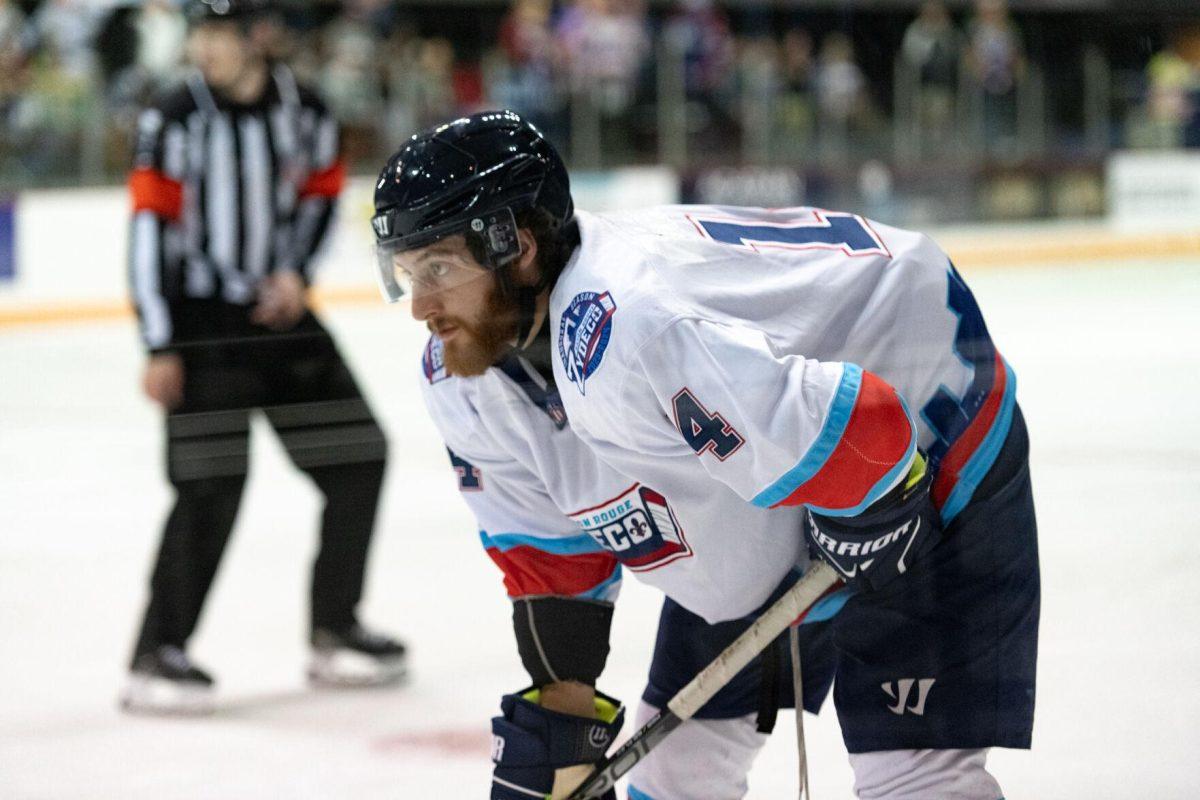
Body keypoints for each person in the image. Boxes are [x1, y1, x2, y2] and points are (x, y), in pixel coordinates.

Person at [372, 111, 1039, 799]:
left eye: (439, 268)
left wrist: (868, 515)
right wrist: (559, 730)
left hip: (925, 414)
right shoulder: (463, 382)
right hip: (780, 468)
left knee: (913, 777)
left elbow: (866, 430)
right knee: (673, 777)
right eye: (406, 273)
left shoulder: (636, 326)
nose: (420, 305)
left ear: (518, 245)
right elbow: (555, 568)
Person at [123, 0, 404, 715]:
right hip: (202, 325)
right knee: (211, 485)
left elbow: (321, 195)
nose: (205, 46)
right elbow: (149, 230)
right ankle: (157, 654)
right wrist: (159, 341)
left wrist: (299, 277)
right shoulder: (173, 115)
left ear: (259, 37)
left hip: (280, 318)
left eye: (220, 32)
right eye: (200, 31)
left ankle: (334, 628)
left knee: (358, 455)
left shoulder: (305, 109)